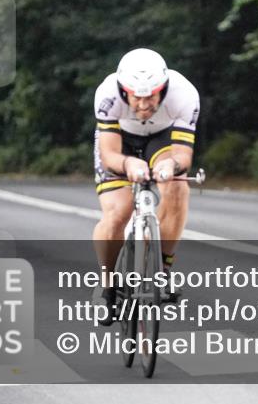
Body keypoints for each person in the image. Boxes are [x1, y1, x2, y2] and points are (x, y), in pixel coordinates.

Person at [91, 48, 200, 322]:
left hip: (162, 137)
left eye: (151, 95)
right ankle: (106, 285)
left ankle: (163, 268)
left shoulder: (184, 95)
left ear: (163, 88)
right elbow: (109, 154)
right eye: (136, 97)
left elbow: (183, 156)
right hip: (120, 140)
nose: (143, 104)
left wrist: (171, 167)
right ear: (123, 90)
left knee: (177, 188)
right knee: (118, 211)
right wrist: (128, 165)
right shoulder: (107, 95)